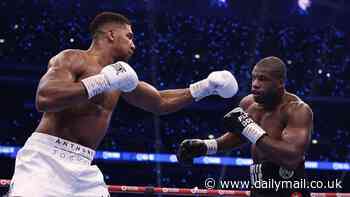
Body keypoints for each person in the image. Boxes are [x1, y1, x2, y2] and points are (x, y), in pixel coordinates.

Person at [8, 12, 239, 197]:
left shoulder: (122, 77)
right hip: (45, 158)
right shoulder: (72, 58)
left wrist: (206, 86)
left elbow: (159, 101)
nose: (134, 45)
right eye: (129, 36)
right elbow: (45, 98)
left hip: (84, 167)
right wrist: (102, 80)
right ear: (110, 34)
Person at [177, 57, 313, 197]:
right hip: (259, 186)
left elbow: (291, 157)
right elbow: (240, 135)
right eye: (253, 78)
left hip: (289, 188)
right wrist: (207, 146)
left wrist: (248, 127)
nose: (255, 84)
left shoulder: (297, 110)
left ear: (280, 82)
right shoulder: (248, 103)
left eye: (262, 79)